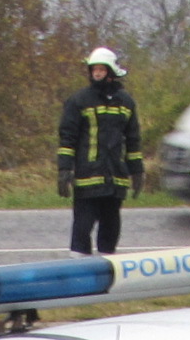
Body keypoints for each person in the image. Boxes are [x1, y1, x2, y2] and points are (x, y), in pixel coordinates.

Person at [57, 48, 143, 255]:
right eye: (93, 69)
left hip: (116, 180)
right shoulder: (79, 101)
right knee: (82, 227)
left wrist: (137, 171)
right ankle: (78, 271)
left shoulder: (126, 102)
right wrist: (64, 170)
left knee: (111, 227)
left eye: (101, 70)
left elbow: (133, 140)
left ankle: (107, 271)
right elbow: (67, 138)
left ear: (111, 72)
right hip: (88, 178)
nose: (96, 73)